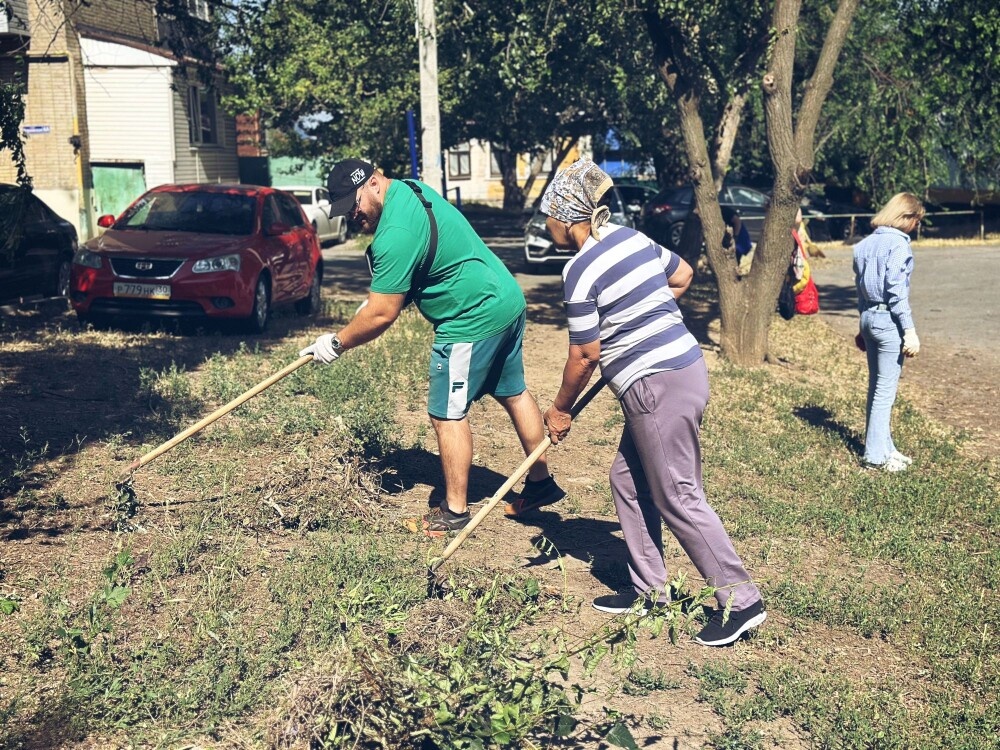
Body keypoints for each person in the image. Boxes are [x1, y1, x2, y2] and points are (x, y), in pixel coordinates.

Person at [539, 159, 766, 647]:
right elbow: (681, 276)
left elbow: (583, 354)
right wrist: (642, 315)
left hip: (654, 386)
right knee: (627, 479)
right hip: (682, 370)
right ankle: (650, 591)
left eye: (548, 217)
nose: (546, 226)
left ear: (566, 215)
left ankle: (741, 600)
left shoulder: (578, 270)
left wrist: (560, 409)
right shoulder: (630, 238)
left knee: (677, 494)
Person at [299, 159, 564, 536]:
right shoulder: (409, 190)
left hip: (471, 317)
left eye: (354, 204)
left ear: (373, 183)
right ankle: (540, 483)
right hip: (504, 298)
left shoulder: (394, 232)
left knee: (447, 413)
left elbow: (382, 314)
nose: (352, 215)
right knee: (513, 391)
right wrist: (375, 302)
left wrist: (337, 343)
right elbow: (421, 264)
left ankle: (454, 511)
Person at [852, 192, 924, 471]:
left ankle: (886, 447)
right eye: (916, 220)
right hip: (888, 321)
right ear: (906, 217)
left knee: (876, 388)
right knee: (885, 391)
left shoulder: (864, 246)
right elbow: (896, 291)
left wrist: (862, 325)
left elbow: (860, 290)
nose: (916, 226)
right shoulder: (899, 247)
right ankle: (875, 457)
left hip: (869, 317)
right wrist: (910, 331)